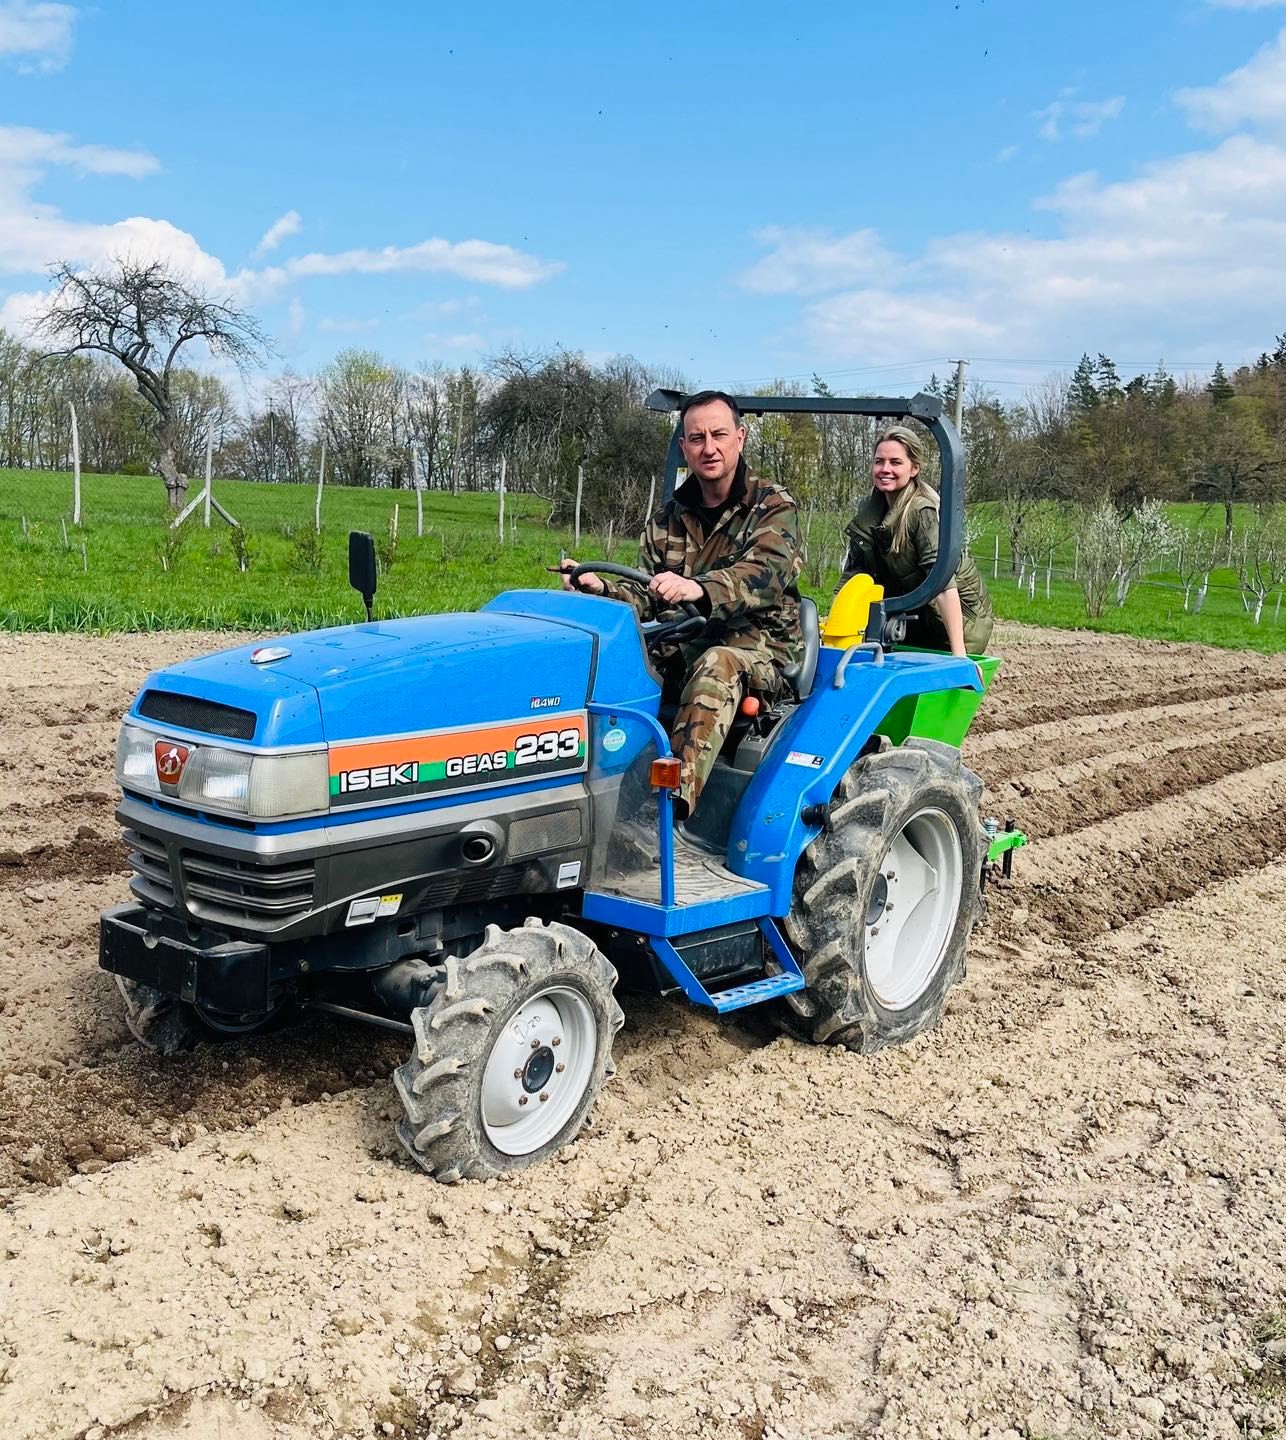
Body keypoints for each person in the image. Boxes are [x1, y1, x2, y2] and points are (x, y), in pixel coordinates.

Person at [561, 390, 803, 820]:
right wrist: (600, 590)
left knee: (717, 664)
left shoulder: (772, 506)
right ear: (684, 447)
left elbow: (765, 574)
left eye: (719, 434)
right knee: (609, 660)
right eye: (696, 438)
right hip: (681, 644)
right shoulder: (666, 519)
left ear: (740, 438)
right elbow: (646, 595)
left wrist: (699, 588)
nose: (709, 447)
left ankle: (665, 817)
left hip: (758, 652)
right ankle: (578, 797)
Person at [841, 425, 994, 655]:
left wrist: (960, 656)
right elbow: (852, 578)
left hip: (956, 623)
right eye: (879, 461)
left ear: (914, 469)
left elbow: (942, 585)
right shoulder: (868, 514)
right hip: (912, 617)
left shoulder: (922, 512)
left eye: (895, 462)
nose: (885, 469)